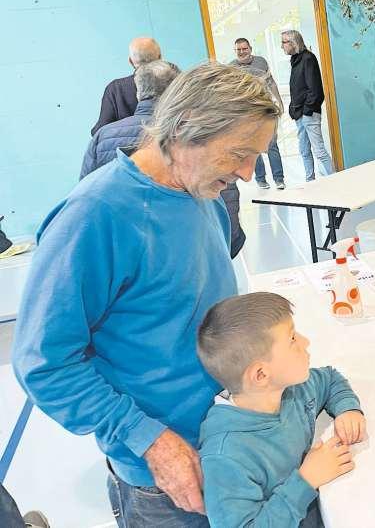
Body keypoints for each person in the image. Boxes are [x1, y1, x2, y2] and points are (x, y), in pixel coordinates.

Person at [13, 63, 281, 526]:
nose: (246, 172)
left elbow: (202, 318)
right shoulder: (95, 215)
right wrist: (150, 440)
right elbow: (43, 363)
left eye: (255, 156)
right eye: (239, 154)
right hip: (167, 477)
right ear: (183, 129)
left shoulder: (204, 198)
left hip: (228, 444)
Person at [197, 292, 365, 527]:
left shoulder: (290, 389)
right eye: (293, 339)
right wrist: (306, 480)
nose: (306, 342)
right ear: (261, 375)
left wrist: (348, 409)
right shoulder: (226, 457)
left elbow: (329, 379)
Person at [79, 60, 247, 258]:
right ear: (178, 91)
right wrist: (230, 242)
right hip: (192, 249)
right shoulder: (196, 133)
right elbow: (224, 195)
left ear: (138, 92)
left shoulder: (103, 137)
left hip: (125, 253)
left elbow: (86, 202)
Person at [229, 37, 286, 190]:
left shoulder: (261, 62)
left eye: (244, 48)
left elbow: (271, 82)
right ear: (235, 51)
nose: (242, 52)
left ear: (250, 49)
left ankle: (279, 179)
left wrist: (280, 102)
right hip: (247, 114)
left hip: (265, 110)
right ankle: (261, 179)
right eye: (239, 50)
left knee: (272, 145)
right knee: (254, 148)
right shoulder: (231, 67)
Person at [281, 30, 335, 181]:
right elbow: (298, 88)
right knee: (304, 151)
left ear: (293, 42)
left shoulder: (308, 58)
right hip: (299, 114)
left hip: (309, 114)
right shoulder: (295, 59)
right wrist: (293, 109)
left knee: (319, 151)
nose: (281, 46)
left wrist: (307, 111)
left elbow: (315, 90)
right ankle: (309, 181)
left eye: (284, 42)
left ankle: (335, 181)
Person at [91, 37, 161, 135]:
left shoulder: (115, 89)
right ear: (160, 57)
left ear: (130, 61)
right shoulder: (175, 84)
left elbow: (100, 130)